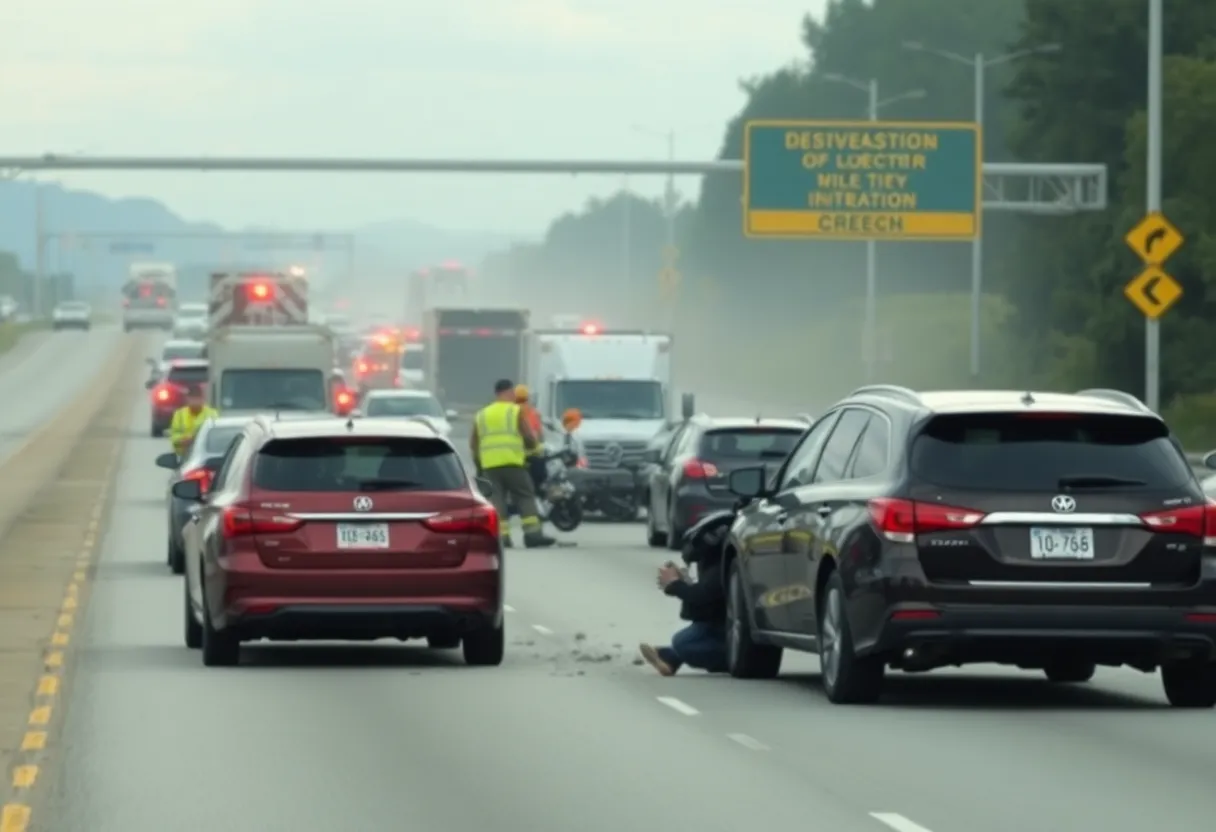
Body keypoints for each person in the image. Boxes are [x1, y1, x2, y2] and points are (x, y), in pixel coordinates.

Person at [470, 379, 556, 549]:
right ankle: (532, 535)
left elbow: (474, 444)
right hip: (513, 463)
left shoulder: (482, 414)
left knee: (496, 500)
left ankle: (502, 538)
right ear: (509, 392)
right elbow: (528, 436)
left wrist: (479, 465)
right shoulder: (515, 411)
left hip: (490, 466)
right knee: (525, 495)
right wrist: (535, 450)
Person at [638, 528, 728, 676]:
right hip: (723, 626)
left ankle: (671, 656)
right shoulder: (715, 566)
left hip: (730, 632)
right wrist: (683, 585)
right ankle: (670, 658)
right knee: (688, 638)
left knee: (684, 643)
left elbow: (706, 597)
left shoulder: (721, 566)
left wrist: (677, 586)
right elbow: (702, 609)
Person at [169, 385, 218, 459]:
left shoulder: (212, 414)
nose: (195, 401)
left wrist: (197, 439)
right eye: (192, 398)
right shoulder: (179, 414)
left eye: (197, 398)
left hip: (204, 455)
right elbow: (174, 436)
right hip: (184, 456)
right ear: (187, 399)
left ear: (202, 398)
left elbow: (215, 436)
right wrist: (183, 440)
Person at [515, 384, 547, 490]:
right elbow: (541, 437)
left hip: (516, 457)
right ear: (528, 398)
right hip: (534, 456)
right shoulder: (534, 413)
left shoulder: (510, 412)